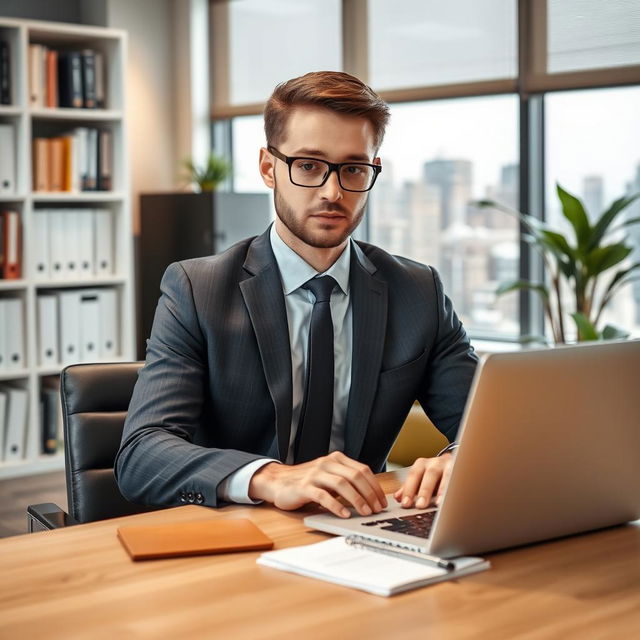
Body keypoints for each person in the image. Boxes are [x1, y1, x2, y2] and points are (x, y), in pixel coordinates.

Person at [115, 71, 477, 519]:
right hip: (240, 533)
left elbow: (488, 423)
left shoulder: (418, 291)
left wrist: (460, 455)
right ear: (269, 168)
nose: (332, 191)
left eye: (353, 168)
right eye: (308, 165)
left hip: (363, 527)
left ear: (373, 170)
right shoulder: (197, 289)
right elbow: (142, 453)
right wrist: (270, 476)